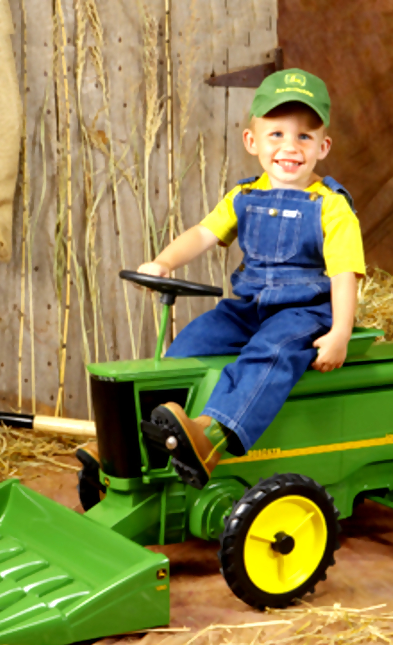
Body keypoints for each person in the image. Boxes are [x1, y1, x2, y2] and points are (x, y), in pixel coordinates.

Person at [79, 68, 365, 490]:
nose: (290, 147)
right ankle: (141, 439)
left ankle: (210, 436)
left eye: (304, 137)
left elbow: (345, 273)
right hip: (250, 307)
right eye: (276, 135)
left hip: (305, 311)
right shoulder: (243, 196)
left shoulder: (332, 208)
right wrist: (162, 263)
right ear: (253, 142)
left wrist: (340, 330)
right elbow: (201, 233)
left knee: (270, 353)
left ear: (323, 147)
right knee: (193, 341)